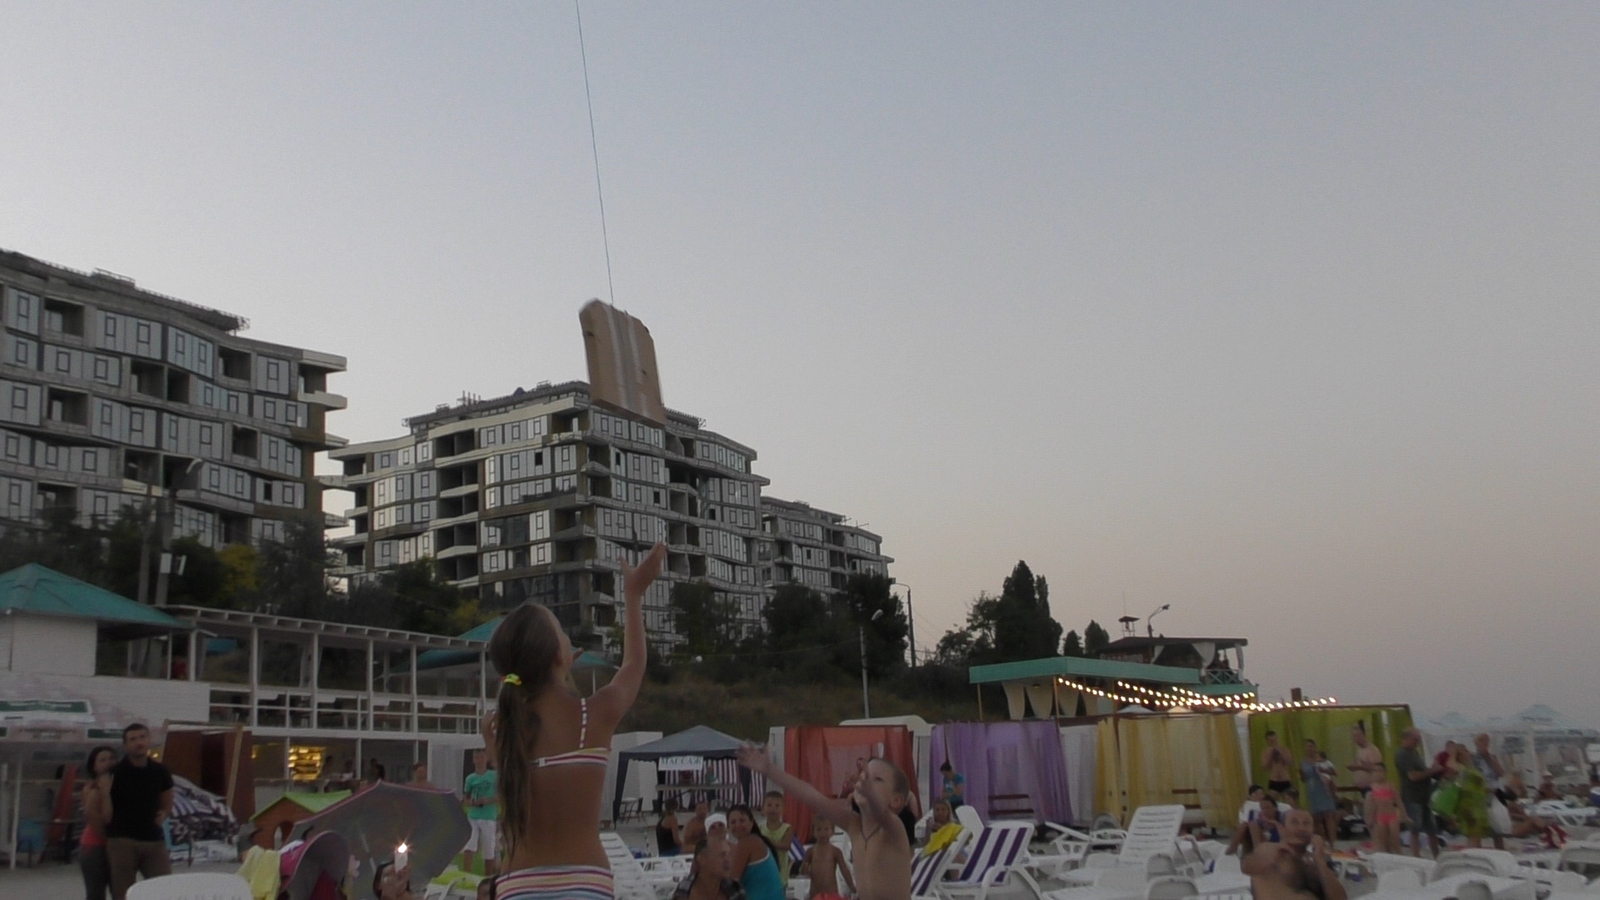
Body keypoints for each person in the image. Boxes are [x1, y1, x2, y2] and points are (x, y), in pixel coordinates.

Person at [481, 542, 666, 900]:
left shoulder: (507, 730)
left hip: (517, 884)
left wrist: (560, 672)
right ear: (558, 656)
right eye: (563, 634)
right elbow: (633, 666)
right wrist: (633, 595)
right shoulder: (592, 715)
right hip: (584, 883)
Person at [739, 746, 912, 900]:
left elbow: (881, 813)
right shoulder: (854, 826)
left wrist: (870, 794)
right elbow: (812, 797)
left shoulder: (893, 830)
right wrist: (770, 770)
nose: (865, 782)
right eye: (864, 777)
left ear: (896, 800)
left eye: (877, 780)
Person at [105, 723, 174, 900]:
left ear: (149, 740)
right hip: (122, 840)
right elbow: (102, 807)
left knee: (165, 889)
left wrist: (164, 813)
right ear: (125, 745)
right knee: (123, 892)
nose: (139, 743)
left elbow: (168, 799)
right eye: (133, 739)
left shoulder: (160, 771)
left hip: (153, 840)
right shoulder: (115, 772)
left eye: (142, 737)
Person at [1242, 809, 1347, 900]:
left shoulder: (1314, 862)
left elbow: (1340, 899)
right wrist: (1277, 849)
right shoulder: (1271, 851)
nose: (1301, 828)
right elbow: (1248, 867)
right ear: (1281, 828)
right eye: (1294, 822)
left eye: (1306, 823)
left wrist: (1320, 861)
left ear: (1313, 830)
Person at [1394, 728, 1444, 858]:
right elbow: (1413, 776)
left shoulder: (1414, 753)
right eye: (1415, 739)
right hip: (1412, 797)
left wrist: (1432, 770)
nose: (1418, 742)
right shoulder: (1403, 754)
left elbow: (1421, 772)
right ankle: (1416, 856)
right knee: (1415, 829)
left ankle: (1436, 856)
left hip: (1424, 796)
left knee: (1432, 829)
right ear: (1406, 739)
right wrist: (1431, 771)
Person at [80, 745, 117, 900]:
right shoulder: (91, 788)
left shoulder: (120, 785)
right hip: (95, 844)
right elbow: (95, 817)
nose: (108, 763)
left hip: (117, 843)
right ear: (94, 767)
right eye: (102, 760)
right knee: (95, 893)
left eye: (111, 759)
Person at [726, 805, 784, 900]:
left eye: (742, 820)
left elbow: (731, 882)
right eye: (733, 822)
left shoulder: (748, 843)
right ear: (728, 827)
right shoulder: (756, 841)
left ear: (752, 822)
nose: (737, 825)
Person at [463, 748, 499, 877]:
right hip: (474, 816)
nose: (479, 760)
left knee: (489, 849)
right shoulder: (470, 779)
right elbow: (465, 798)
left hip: (488, 816)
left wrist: (488, 800)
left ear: (486, 759)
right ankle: (466, 876)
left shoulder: (494, 776)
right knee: (469, 845)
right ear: (473, 760)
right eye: (477, 758)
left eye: (481, 757)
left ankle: (488, 876)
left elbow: (502, 796)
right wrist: (471, 802)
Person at [800, 816, 855, 900]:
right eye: (819, 829)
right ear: (813, 832)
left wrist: (852, 887)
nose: (823, 832)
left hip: (831, 893)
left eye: (826, 829)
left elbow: (844, 870)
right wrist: (805, 870)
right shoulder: (810, 851)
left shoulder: (835, 851)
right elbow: (802, 871)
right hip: (815, 894)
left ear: (832, 831)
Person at [672, 839, 746, 900]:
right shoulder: (684, 891)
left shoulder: (735, 889)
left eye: (729, 855)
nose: (728, 860)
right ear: (702, 859)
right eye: (722, 855)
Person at [1450, 744, 1492, 849]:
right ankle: (1469, 858)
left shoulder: (1471, 768)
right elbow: (1450, 764)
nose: (1469, 752)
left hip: (1478, 806)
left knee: (1477, 838)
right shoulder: (1462, 768)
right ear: (1460, 756)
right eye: (1465, 751)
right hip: (1469, 807)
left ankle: (1475, 856)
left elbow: (1478, 787)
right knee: (1473, 837)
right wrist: (1453, 753)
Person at [1470, 734, 1507, 849]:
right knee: (1479, 827)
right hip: (1481, 794)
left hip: (1494, 793)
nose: (1485, 745)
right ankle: (1478, 850)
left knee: (1498, 828)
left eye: (1487, 743)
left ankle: (1501, 851)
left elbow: (1501, 773)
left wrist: (1490, 759)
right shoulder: (1473, 758)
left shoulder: (1492, 757)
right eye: (1483, 742)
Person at [1300, 741, 1339, 843]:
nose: (1309, 748)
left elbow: (1333, 772)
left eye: (1311, 746)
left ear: (1315, 747)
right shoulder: (1304, 762)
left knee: (1329, 816)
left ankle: (1332, 843)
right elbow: (1304, 779)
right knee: (1316, 818)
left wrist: (1322, 770)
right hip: (1313, 790)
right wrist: (1301, 773)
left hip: (1325, 789)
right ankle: (1323, 841)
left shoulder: (1323, 760)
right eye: (1307, 746)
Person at [1349, 726, 1384, 834]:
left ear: (1364, 735)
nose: (1356, 739)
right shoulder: (1360, 751)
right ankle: (1374, 837)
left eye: (1358, 736)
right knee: (1368, 816)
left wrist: (1358, 767)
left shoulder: (1372, 750)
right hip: (1363, 789)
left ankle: (1378, 837)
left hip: (1372, 788)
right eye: (1354, 736)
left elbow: (1376, 769)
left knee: (1373, 816)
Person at [756, 792, 791, 884]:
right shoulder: (760, 828)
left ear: (783, 809)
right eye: (769, 805)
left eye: (777, 806)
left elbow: (786, 845)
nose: (773, 809)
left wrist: (768, 842)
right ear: (763, 809)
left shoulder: (787, 828)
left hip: (780, 873)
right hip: (763, 871)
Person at [1368, 763, 1401, 854]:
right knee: (1384, 842)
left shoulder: (1390, 785)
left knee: (1395, 842)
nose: (1378, 773)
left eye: (1380, 771)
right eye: (1375, 771)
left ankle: (1400, 857)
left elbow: (1399, 801)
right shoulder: (1373, 787)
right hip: (1380, 816)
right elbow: (1372, 805)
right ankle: (1388, 858)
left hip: (1392, 815)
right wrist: (1370, 817)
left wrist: (1403, 815)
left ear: (1385, 772)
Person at [1262, 732, 1294, 797]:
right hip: (1274, 780)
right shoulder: (1265, 751)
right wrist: (1270, 754)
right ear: (1267, 741)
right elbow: (1264, 766)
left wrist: (1280, 751)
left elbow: (1289, 762)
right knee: (1273, 801)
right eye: (1270, 741)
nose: (1273, 742)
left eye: (1274, 740)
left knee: (1289, 801)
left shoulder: (1284, 749)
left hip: (1285, 779)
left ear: (1277, 739)